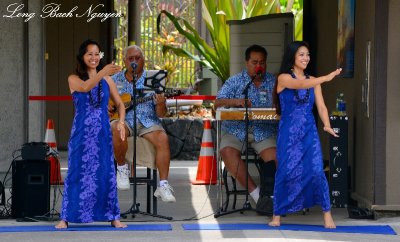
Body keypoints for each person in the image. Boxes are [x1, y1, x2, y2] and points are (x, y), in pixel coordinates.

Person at [269, 41, 342, 228]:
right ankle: (277, 215)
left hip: (309, 133)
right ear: (292, 56)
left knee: (317, 172)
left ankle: (327, 216)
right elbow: (300, 83)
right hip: (289, 134)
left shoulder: (314, 81)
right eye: (301, 54)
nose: (306, 58)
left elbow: (322, 107)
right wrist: (326, 78)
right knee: (285, 171)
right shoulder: (284, 78)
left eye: (308, 54)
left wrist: (326, 124)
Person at [56, 39, 127, 229]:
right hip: (81, 132)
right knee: (76, 173)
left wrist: (120, 122)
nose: (94, 58)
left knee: (106, 172)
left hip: (103, 132)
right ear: (82, 56)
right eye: (90, 54)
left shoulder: (108, 80)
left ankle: (113, 216)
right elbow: (86, 87)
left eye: (97, 54)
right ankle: (65, 217)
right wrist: (103, 72)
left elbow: (120, 104)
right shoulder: (73, 78)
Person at [110, 45, 176, 203]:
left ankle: (163, 185)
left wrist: (161, 103)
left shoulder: (153, 80)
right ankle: (122, 169)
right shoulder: (115, 79)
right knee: (117, 128)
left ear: (144, 61)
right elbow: (102, 99)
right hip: (123, 120)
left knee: (162, 138)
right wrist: (107, 104)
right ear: (125, 61)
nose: (134, 61)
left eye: (137, 58)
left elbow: (161, 114)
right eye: (130, 58)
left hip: (147, 121)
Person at [215, 44, 278, 205]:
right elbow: (217, 103)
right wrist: (234, 101)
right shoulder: (236, 81)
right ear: (246, 63)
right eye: (254, 62)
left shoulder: (273, 82)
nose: (259, 67)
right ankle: (256, 195)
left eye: (262, 63)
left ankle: (269, 196)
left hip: (263, 130)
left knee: (276, 158)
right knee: (227, 152)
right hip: (235, 130)